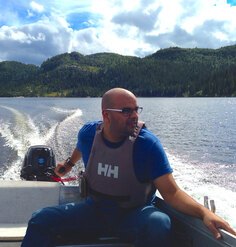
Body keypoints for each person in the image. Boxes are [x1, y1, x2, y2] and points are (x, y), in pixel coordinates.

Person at [22, 87, 236, 247]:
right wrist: (69, 164)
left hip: (133, 215)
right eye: (126, 111)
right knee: (41, 218)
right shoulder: (88, 133)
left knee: (159, 223)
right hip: (93, 210)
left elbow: (171, 193)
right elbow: (81, 147)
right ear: (106, 115)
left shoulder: (147, 144)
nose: (134, 116)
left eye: (136, 110)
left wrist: (203, 212)